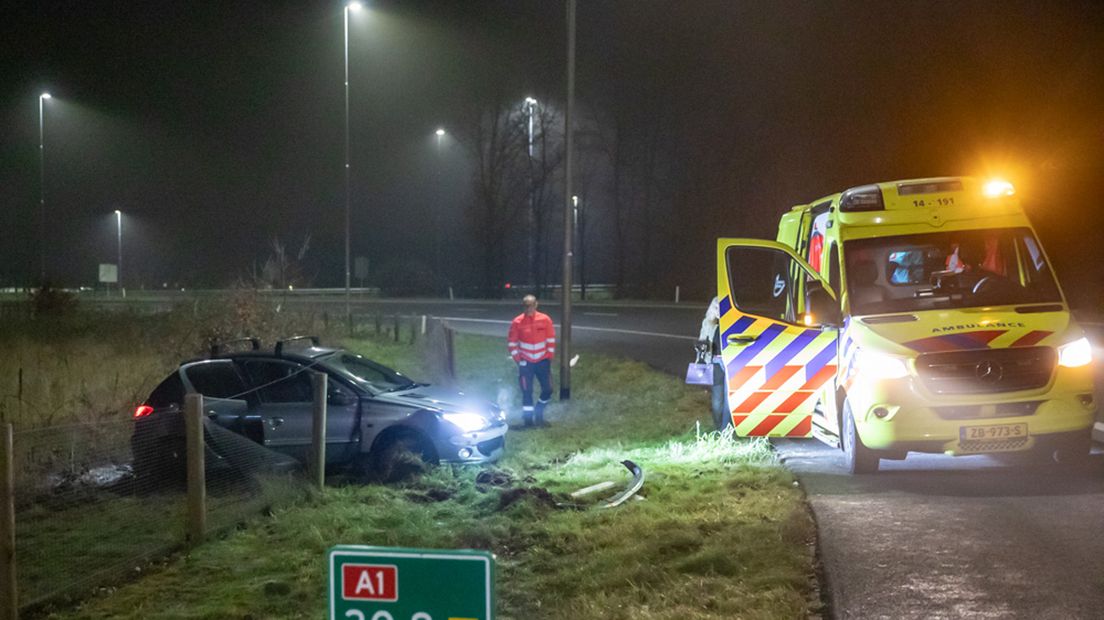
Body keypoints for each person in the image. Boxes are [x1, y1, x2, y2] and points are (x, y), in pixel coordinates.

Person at [507, 295, 556, 427]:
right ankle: (528, 422)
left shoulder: (545, 320)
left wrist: (549, 356)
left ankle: (539, 413)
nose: (528, 308)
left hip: (542, 361)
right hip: (526, 362)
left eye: (531, 305)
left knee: (548, 389)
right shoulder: (517, 322)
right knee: (526, 391)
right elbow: (512, 343)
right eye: (526, 305)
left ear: (536, 305)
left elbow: (551, 339)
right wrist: (518, 359)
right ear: (523, 306)